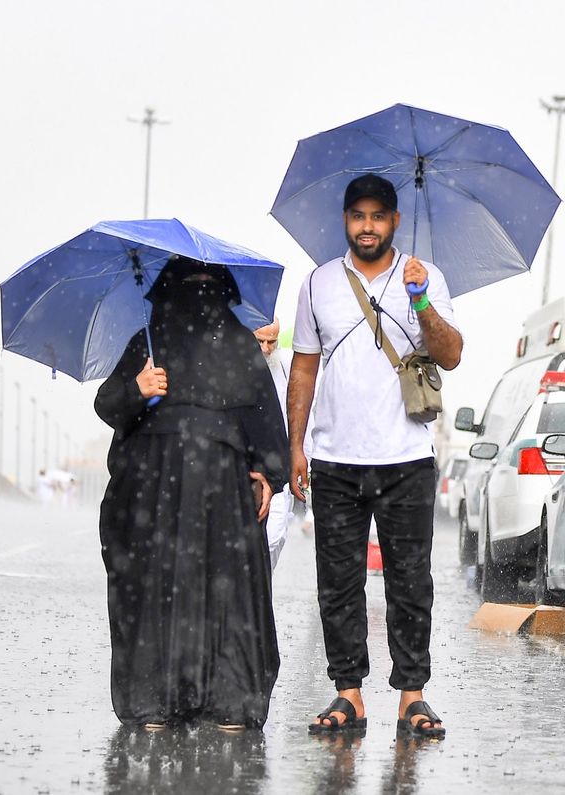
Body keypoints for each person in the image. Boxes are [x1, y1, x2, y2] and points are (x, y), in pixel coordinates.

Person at [287, 174, 462, 739]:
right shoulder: (317, 285)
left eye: (378, 216)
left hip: (407, 458)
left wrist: (420, 300)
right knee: (337, 581)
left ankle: (413, 696)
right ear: (345, 220)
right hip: (334, 459)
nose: (367, 226)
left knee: (410, 582)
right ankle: (349, 695)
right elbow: (304, 367)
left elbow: (451, 354)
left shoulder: (425, 275)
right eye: (358, 215)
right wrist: (295, 444)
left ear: (395, 221)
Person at [95, 255, 289, 731]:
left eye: (207, 286)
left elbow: (267, 428)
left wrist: (267, 475)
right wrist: (138, 389)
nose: (198, 297)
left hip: (210, 489)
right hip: (160, 486)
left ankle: (217, 700)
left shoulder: (242, 349)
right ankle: (163, 702)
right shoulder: (148, 344)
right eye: (190, 285)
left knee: (212, 590)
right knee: (183, 588)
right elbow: (107, 404)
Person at [253, 318, 294, 570]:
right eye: (260, 341)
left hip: (279, 467)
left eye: (272, 342)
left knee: (275, 537)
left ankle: (261, 592)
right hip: (249, 468)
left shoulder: (286, 367)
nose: (267, 348)